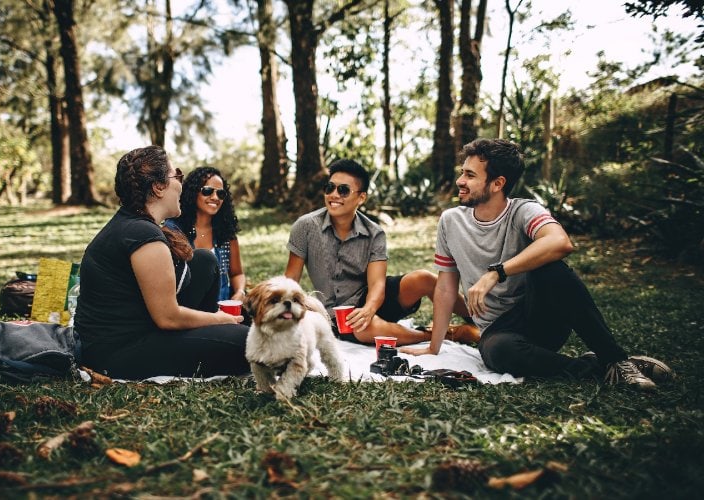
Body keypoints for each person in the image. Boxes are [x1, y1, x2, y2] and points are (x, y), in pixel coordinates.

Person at [402, 138, 673, 390]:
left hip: (541, 317)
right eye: (463, 172)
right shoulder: (451, 221)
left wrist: (496, 273)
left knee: (551, 267)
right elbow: (446, 288)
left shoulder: (524, 210)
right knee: (498, 352)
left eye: (470, 175)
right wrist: (433, 347)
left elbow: (560, 242)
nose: (460, 180)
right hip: (499, 332)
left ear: (498, 183)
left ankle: (617, 359)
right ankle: (598, 367)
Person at [75, 146, 250, 380]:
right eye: (176, 175)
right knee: (249, 343)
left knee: (204, 261)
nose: (181, 183)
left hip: (141, 327)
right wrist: (220, 319)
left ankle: (215, 333)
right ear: (158, 187)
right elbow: (167, 317)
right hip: (118, 351)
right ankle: (219, 333)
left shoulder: (136, 224)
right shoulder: (142, 235)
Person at [284, 158, 471, 346]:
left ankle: (479, 321)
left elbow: (377, 285)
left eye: (343, 190)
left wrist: (369, 309)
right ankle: (447, 334)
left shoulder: (374, 233)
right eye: (330, 188)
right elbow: (290, 280)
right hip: (337, 314)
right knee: (366, 328)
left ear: (361, 197)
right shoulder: (305, 227)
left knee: (424, 278)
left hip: (372, 299)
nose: (334, 195)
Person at [165, 166, 246, 302]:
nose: (215, 197)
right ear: (193, 193)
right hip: (187, 311)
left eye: (221, 193)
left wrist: (240, 292)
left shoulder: (225, 232)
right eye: (207, 191)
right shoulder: (174, 230)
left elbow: (237, 273)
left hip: (222, 311)